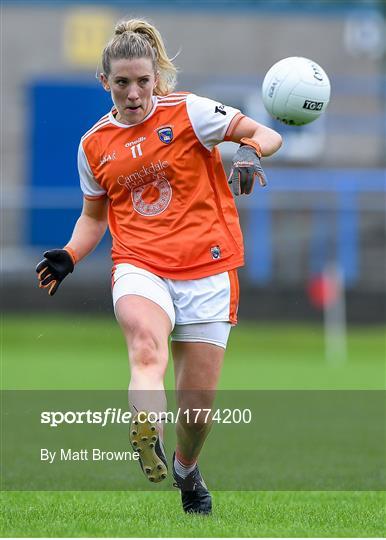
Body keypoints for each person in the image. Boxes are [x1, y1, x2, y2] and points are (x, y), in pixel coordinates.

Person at [36, 18, 282, 515]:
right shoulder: (93, 145)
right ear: (105, 82)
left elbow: (265, 133)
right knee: (147, 350)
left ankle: (186, 467)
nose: (133, 93)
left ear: (156, 79)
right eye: (122, 82)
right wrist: (72, 253)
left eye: (142, 82)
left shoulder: (190, 112)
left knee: (197, 410)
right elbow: (93, 217)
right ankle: (145, 428)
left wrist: (250, 153)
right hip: (140, 264)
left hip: (209, 269)